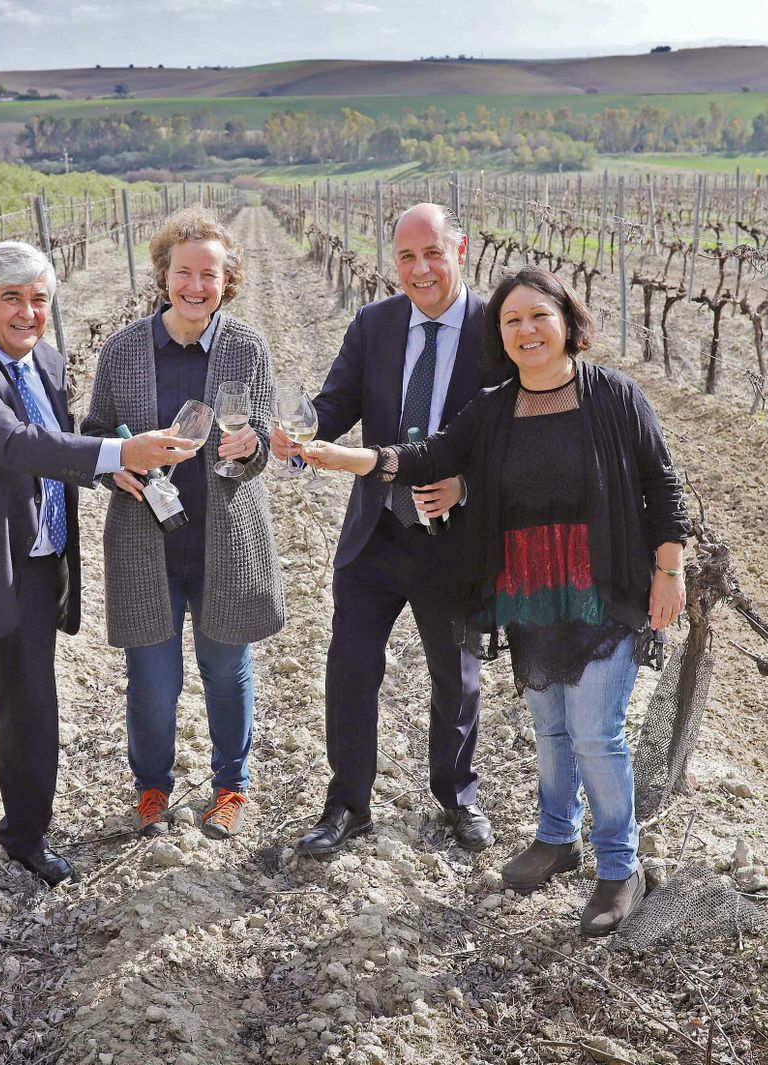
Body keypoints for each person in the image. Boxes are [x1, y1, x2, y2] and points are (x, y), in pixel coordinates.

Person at [297, 265, 690, 936]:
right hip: (531, 591)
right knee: (553, 728)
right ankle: (556, 836)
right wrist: (347, 459)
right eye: (512, 321)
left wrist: (670, 570)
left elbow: (663, 483)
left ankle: (619, 866)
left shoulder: (615, 396)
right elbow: (426, 458)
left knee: (596, 731)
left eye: (539, 315)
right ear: (499, 335)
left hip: (605, 589)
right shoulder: (494, 407)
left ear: (568, 321)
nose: (527, 329)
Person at [0, 241, 189, 935]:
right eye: (12, 298)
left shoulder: (45, 361)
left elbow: (53, 438)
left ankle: (25, 838)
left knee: (31, 715)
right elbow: (14, 443)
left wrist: (115, 464)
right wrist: (115, 453)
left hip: (32, 567)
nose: (29, 311)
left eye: (40, 298)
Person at [269, 203, 511, 857]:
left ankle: (457, 794)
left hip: (452, 533)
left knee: (454, 675)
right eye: (406, 257)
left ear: (460, 250)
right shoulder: (374, 324)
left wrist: (468, 483)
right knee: (350, 667)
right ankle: (349, 802)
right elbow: (334, 405)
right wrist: (303, 429)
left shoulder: (499, 328)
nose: (420, 268)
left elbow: (519, 434)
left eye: (432, 252)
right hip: (376, 528)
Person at [84, 207, 284, 840]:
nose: (196, 286)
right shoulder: (122, 350)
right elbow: (93, 435)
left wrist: (247, 448)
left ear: (229, 280)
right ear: (163, 275)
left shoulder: (247, 347)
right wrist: (115, 467)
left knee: (227, 668)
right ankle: (152, 787)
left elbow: (263, 442)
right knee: (152, 678)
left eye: (210, 275)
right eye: (184, 272)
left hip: (226, 540)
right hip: (146, 542)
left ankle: (232, 787)